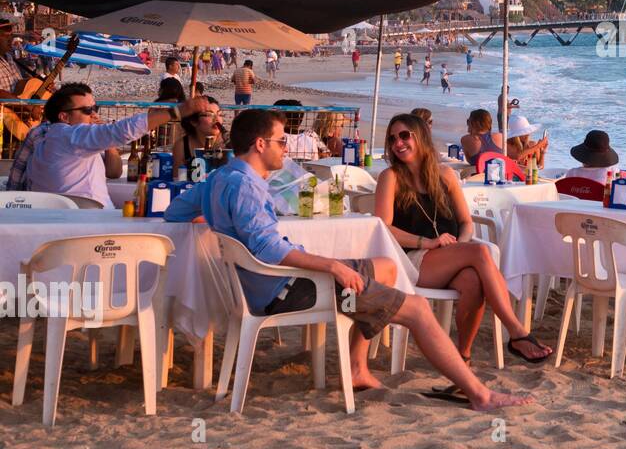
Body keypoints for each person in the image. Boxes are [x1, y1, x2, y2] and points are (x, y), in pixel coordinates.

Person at [164, 109, 530, 409]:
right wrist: (333, 266)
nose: (285, 148)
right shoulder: (245, 186)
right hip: (286, 288)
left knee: (385, 268)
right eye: (280, 141)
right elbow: (269, 249)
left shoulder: (221, 178)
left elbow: (176, 211)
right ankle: (481, 395)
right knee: (417, 309)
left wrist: (216, 220)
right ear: (260, 145)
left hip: (267, 281)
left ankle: (357, 367)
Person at [373, 114, 553, 363]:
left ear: (421, 138)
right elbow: (384, 227)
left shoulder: (445, 175)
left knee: (472, 281)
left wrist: (461, 245)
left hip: (448, 255)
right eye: (393, 139)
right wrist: (427, 243)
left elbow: (466, 223)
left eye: (405, 136)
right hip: (412, 260)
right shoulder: (390, 177)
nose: (398, 143)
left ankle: (462, 358)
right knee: (481, 253)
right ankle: (516, 331)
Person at [23, 82, 204, 207]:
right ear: (64, 117)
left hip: (67, 217)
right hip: (89, 219)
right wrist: (176, 113)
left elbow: (114, 172)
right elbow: (121, 130)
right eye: (87, 110)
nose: (93, 114)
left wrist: (106, 142)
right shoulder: (71, 135)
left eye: (95, 108)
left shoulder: (56, 139)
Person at [172, 95, 227, 176]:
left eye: (219, 114)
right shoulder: (182, 146)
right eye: (209, 115)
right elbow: (177, 178)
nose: (217, 119)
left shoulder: (227, 144)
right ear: (193, 121)